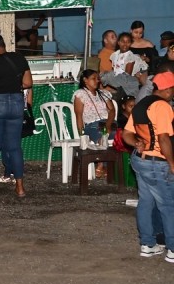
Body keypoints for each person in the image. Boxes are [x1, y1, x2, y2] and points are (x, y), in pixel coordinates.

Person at [121, 71, 174, 263]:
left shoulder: (140, 104)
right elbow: (163, 138)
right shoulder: (162, 106)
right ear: (167, 89)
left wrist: (136, 143)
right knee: (168, 205)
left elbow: (126, 133)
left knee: (146, 202)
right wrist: (172, 163)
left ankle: (148, 244)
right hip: (157, 162)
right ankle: (172, 249)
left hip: (140, 160)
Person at [0, 33, 32, 198]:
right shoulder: (19, 58)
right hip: (16, 104)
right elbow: (28, 83)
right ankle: (20, 188)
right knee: (15, 147)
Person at [72, 69, 115, 146]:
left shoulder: (104, 93)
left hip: (109, 124)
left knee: (122, 136)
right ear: (85, 80)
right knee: (101, 138)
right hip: (93, 126)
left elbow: (112, 110)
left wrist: (108, 125)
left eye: (98, 79)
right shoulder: (80, 94)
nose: (97, 81)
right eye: (93, 78)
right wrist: (82, 136)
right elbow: (79, 116)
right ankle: (102, 145)